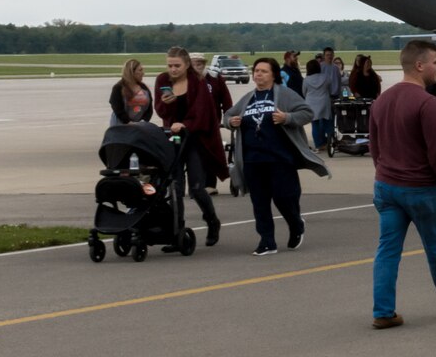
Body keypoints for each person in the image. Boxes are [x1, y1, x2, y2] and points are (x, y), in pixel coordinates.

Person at [368, 39, 436, 329]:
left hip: (387, 185)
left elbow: (375, 147)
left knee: (388, 249)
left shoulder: (381, 101)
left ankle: (383, 310)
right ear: (419, 65)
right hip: (423, 188)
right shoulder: (428, 104)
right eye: (435, 62)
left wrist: (384, 172)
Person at [227, 57, 330, 255]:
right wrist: (231, 121)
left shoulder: (284, 94)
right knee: (259, 202)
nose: (258, 74)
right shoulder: (248, 97)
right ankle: (267, 241)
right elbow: (228, 115)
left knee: (284, 198)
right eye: (256, 70)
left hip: (279, 158)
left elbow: (307, 112)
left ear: (274, 74)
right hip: (253, 159)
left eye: (264, 71)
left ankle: (296, 224)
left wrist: (287, 118)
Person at [154, 45, 225, 244]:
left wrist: (185, 124)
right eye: (170, 65)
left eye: (177, 65)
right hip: (173, 139)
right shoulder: (162, 80)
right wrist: (166, 104)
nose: (173, 69)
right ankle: (177, 232)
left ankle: (212, 220)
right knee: (175, 188)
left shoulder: (198, 82)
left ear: (186, 65)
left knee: (196, 187)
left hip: (195, 139)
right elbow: (160, 110)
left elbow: (202, 113)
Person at [303, 57, 335, 151]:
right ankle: (331, 142)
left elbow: (304, 92)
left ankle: (318, 144)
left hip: (311, 103)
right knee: (328, 123)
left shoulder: (306, 80)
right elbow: (330, 88)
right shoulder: (325, 77)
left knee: (315, 125)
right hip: (324, 101)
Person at [109, 58, 153, 125]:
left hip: (139, 127)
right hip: (120, 127)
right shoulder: (118, 88)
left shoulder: (144, 88)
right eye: (140, 70)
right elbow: (117, 108)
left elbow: (149, 109)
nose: (143, 73)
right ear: (132, 72)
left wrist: (144, 122)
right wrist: (128, 122)